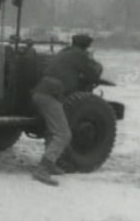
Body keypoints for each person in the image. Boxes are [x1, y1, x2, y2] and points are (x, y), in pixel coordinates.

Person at [31, 33, 103, 186]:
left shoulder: (64, 53)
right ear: (86, 47)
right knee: (63, 134)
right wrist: (93, 62)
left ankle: (51, 163)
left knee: (53, 129)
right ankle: (42, 169)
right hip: (50, 95)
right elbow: (94, 75)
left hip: (41, 92)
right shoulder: (80, 55)